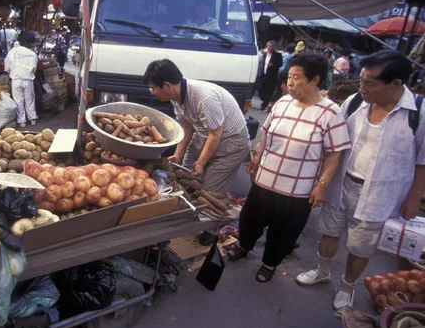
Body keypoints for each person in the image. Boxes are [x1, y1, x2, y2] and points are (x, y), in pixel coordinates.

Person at [296, 50, 425, 310]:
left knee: (361, 246)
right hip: (341, 184)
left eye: (370, 83)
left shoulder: (418, 113)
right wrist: (321, 179)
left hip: (380, 194)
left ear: (395, 85)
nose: (362, 87)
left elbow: (423, 161)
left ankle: (347, 286)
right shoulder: (355, 102)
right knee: (329, 231)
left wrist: (413, 198)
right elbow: (333, 144)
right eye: (361, 79)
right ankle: (322, 272)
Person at [227, 53, 350, 283]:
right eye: (289, 77)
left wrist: (322, 186)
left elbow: (334, 154)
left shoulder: (330, 112)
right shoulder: (282, 102)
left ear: (315, 80)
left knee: (283, 230)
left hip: (297, 189)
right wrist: (257, 155)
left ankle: (270, 263)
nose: (290, 83)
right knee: (250, 218)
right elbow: (266, 133)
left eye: (297, 78)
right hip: (265, 179)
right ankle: (243, 246)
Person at [143, 59, 250, 195]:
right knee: (182, 175)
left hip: (231, 142)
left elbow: (216, 134)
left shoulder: (205, 98)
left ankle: (211, 215)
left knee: (209, 191)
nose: (152, 92)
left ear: (167, 85)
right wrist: (178, 154)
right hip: (204, 136)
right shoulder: (176, 96)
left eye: (153, 88)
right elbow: (186, 127)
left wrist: (201, 162)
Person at [4, 31, 39, 128]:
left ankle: (22, 121)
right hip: (28, 80)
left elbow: (7, 66)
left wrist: (12, 71)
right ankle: (32, 119)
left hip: (16, 79)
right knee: (30, 99)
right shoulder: (33, 54)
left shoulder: (13, 51)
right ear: (30, 43)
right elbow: (34, 69)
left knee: (18, 100)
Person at [259, 41, 283, 111]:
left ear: (274, 48)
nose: (270, 48)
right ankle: (264, 99)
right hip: (263, 74)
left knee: (269, 91)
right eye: (269, 46)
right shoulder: (264, 54)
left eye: (272, 47)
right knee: (260, 89)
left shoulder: (278, 55)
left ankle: (264, 104)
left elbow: (280, 64)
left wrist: (273, 65)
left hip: (272, 76)